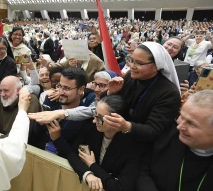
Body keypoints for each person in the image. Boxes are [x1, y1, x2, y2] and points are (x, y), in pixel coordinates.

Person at [29, 42, 181, 154]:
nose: (133, 66)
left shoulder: (168, 93)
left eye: (139, 63)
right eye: (132, 60)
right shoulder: (131, 77)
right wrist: (110, 93)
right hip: (114, 138)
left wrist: (126, 126)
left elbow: (154, 131)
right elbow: (103, 104)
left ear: (157, 66)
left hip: (141, 150)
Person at [47, 95, 146, 191]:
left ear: (116, 120)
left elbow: (121, 188)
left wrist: (92, 165)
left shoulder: (133, 145)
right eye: (95, 114)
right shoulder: (90, 128)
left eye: (100, 118)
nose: (94, 121)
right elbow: (72, 153)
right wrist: (87, 174)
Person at [138, 90, 213, 191]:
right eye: (181, 116)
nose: (180, 126)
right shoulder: (167, 134)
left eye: (191, 123)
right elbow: (142, 169)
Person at [31, 67, 89, 157]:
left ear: (81, 89)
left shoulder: (85, 117)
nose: (61, 92)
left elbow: (75, 156)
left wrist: (57, 138)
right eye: (59, 86)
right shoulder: (51, 100)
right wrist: (40, 123)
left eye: (66, 88)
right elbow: (35, 134)